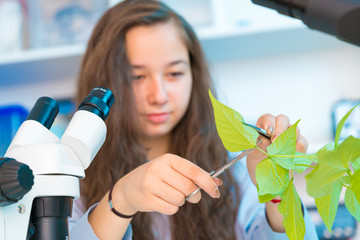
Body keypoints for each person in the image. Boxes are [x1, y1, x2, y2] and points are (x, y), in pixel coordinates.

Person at [70, 0, 318, 239]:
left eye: (174, 73)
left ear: (194, 74)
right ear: (103, 81)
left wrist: (275, 186)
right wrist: (121, 200)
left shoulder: (235, 171)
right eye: (137, 77)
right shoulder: (68, 177)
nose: (159, 96)